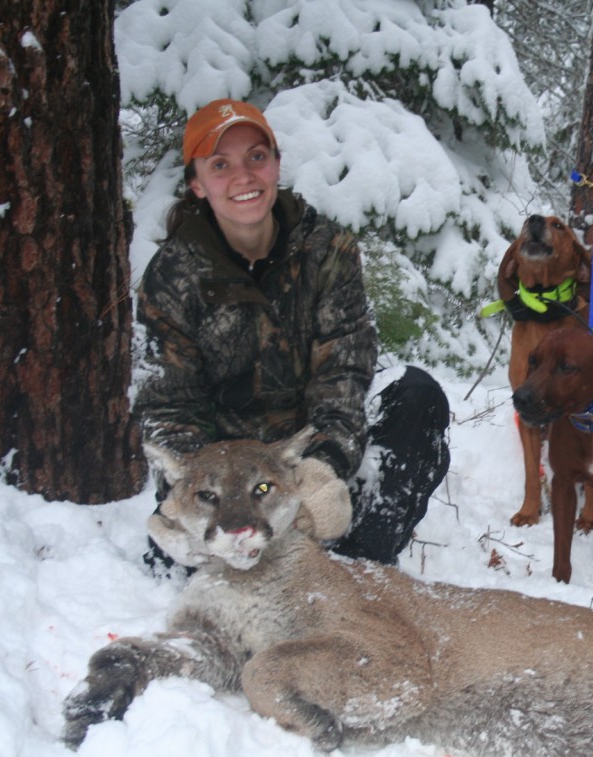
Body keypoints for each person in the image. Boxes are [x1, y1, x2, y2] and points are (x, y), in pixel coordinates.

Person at [134, 98, 450, 570]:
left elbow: (344, 375)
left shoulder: (327, 250)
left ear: (276, 164)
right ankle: (218, 558)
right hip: (224, 478)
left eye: (256, 157)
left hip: (304, 453)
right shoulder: (172, 275)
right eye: (220, 165)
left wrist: (323, 468)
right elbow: (167, 407)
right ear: (197, 184)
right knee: (199, 554)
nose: (243, 176)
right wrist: (189, 486)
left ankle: (358, 566)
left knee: (417, 396)